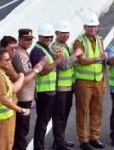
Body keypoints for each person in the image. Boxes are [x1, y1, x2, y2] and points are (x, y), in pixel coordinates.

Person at [73, 11, 107, 150]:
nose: (93, 29)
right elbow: (82, 61)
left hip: (98, 80)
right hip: (83, 82)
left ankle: (94, 137)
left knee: (97, 110)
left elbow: (103, 63)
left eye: (94, 26)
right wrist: (98, 57)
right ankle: (83, 140)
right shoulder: (79, 42)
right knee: (83, 111)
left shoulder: (100, 40)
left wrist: (104, 79)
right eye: (90, 26)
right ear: (85, 27)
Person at [29, 23, 64, 150]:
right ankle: (38, 147)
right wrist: (58, 61)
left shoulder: (46, 48)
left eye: (50, 37)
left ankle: (51, 144)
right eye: (46, 37)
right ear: (39, 37)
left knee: (49, 119)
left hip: (50, 90)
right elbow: (43, 71)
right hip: (44, 92)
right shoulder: (37, 51)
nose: (49, 39)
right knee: (43, 121)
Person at [50, 20, 81, 150]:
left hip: (68, 86)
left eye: (67, 33)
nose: (66, 35)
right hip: (61, 88)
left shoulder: (65, 46)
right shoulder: (55, 48)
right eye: (63, 33)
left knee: (65, 114)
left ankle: (59, 140)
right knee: (59, 115)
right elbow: (64, 65)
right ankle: (59, 143)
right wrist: (76, 55)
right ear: (56, 33)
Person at [12, 28, 38, 150]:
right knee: (22, 125)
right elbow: (24, 76)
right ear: (19, 39)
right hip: (22, 95)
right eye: (26, 39)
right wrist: (38, 68)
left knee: (24, 124)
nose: (29, 42)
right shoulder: (18, 54)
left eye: (30, 40)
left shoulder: (24, 51)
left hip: (27, 94)